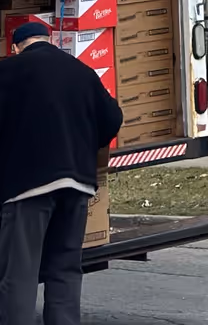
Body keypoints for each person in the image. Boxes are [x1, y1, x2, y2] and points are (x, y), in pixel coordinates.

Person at [0, 18, 123, 325]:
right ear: (50, 40)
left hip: (27, 187)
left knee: (20, 274)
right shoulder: (82, 72)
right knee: (65, 269)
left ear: (15, 47)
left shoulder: (9, 71)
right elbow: (112, 118)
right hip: (78, 185)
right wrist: (82, 146)